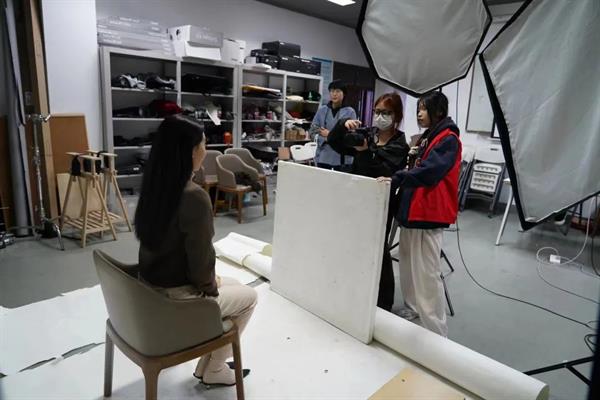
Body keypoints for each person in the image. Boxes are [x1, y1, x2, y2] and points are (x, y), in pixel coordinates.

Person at [134, 115, 257, 386]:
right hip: (175, 298)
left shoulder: (155, 184)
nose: (205, 150)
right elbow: (201, 260)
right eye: (203, 145)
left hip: (151, 289)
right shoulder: (193, 196)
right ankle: (214, 370)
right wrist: (209, 288)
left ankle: (207, 365)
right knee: (249, 297)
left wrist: (211, 282)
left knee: (234, 283)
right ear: (191, 152)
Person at [379, 91, 461, 337]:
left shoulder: (448, 140)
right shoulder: (427, 137)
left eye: (424, 109)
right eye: (418, 109)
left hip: (429, 213)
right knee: (407, 264)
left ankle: (436, 329)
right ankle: (413, 308)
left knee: (426, 272)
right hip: (412, 211)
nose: (419, 114)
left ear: (438, 111)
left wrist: (398, 178)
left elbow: (429, 172)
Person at [327, 92, 409, 311]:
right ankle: (356, 290)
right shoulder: (367, 134)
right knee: (354, 244)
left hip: (381, 203)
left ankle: (383, 303)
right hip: (356, 198)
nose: (380, 116)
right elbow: (333, 141)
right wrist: (343, 124)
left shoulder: (400, 145)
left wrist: (364, 152)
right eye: (377, 112)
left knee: (378, 250)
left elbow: (383, 172)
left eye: (386, 112)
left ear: (397, 116)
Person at [309, 80, 356, 170]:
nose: (334, 94)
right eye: (332, 91)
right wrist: (325, 138)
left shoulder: (350, 112)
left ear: (344, 94)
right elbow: (312, 131)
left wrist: (329, 134)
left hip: (342, 158)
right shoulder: (322, 110)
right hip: (323, 157)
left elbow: (350, 136)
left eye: (338, 91)